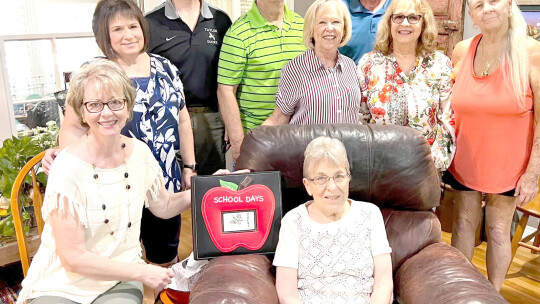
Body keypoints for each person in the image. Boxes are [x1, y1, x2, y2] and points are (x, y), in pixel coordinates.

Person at [17, 59, 190, 304]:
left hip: (119, 277)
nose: (107, 113)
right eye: (95, 105)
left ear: (128, 106)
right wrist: (143, 272)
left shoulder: (140, 153)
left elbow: (163, 206)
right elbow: (72, 258)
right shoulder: (67, 166)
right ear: (82, 112)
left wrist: (208, 189)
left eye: (115, 102)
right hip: (63, 282)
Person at [44, 0, 195, 266]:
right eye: (117, 29)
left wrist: (189, 166)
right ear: (105, 36)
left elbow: (183, 120)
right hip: (111, 186)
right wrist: (69, 162)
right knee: (117, 258)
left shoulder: (166, 68)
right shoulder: (93, 74)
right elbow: (72, 127)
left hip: (163, 182)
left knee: (165, 256)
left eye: (133, 26)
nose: (128, 35)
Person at [446, 0, 540, 291]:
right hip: (465, 158)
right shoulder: (462, 50)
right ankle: (462, 293)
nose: (486, 9)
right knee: (462, 225)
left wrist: (533, 171)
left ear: (509, 5)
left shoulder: (532, 53)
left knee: (499, 231)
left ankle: (493, 294)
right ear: (471, 15)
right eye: (478, 5)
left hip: (509, 163)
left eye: (493, 1)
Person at [273, 136, 393, 304]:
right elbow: (287, 294)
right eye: (321, 178)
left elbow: (384, 283)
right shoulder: (293, 222)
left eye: (338, 176)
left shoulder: (370, 214)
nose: (332, 187)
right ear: (307, 185)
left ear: (348, 179)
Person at [356, 0, 455, 171]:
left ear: (423, 23)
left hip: (426, 168)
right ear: (389, 22)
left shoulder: (440, 64)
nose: (405, 23)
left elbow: (447, 120)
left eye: (413, 17)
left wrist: (434, 163)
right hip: (378, 167)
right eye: (399, 17)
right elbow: (359, 118)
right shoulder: (369, 64)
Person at [146, 0, 232, 175]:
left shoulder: (220, 20)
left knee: (213, 187)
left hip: (212, 119)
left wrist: (230, 122)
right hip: (169, 121)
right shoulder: (150, 23)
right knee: (175, 187)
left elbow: (230, 75)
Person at [217, 0, 305, 161]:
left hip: (300, 141)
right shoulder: (238, 33)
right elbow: (226, 91)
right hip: (257, 144)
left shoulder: (303, 27)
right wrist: (238, 146)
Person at [262, 0, 361, 126]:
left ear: (344, 28)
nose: (329, 28)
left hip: (347, 145)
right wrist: (253, 143)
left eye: (336, 22)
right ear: (312, 29)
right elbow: (279, 118)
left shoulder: (350, 66)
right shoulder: (295, 68)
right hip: (307, 146)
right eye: (322, 22)